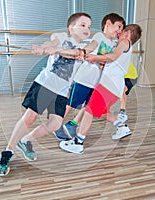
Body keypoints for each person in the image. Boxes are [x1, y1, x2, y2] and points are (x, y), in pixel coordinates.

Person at [0, 12, 92, 176]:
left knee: (55, 124)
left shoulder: (87, 46)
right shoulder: (60, 36)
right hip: (46, 84)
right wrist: (44, 48)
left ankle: (26, 141)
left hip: (62, 91)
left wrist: (55, 50)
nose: (87, 29)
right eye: (82, 25)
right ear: (71, 27)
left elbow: (75, 53)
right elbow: (50, 42)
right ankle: (8, 151)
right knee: (30, 117)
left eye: (89, 27)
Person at [59, 24, 142, 154]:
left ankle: (78, 142)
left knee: (89, 110)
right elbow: (112, 61)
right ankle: (121, 127)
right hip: (113, 86)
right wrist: (98, 62)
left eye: (121, 30)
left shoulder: (125, 42)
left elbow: (112, 57)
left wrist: (95, 58)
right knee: (100, 111)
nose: (118, 32)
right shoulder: (123, 47)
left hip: (109, 85)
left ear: (127, 33)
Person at [53, 13, 125, 141]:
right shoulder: (100, 36)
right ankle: (56, 125)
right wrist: (84, 51)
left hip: (97, 82)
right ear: (108, 24)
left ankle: (72, 126)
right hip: (84, 80)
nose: (119, 31)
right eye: (118, 26)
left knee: (88, 107)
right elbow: (92, 46)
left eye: (122, 28)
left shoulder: (114, 44)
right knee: (71, 104)